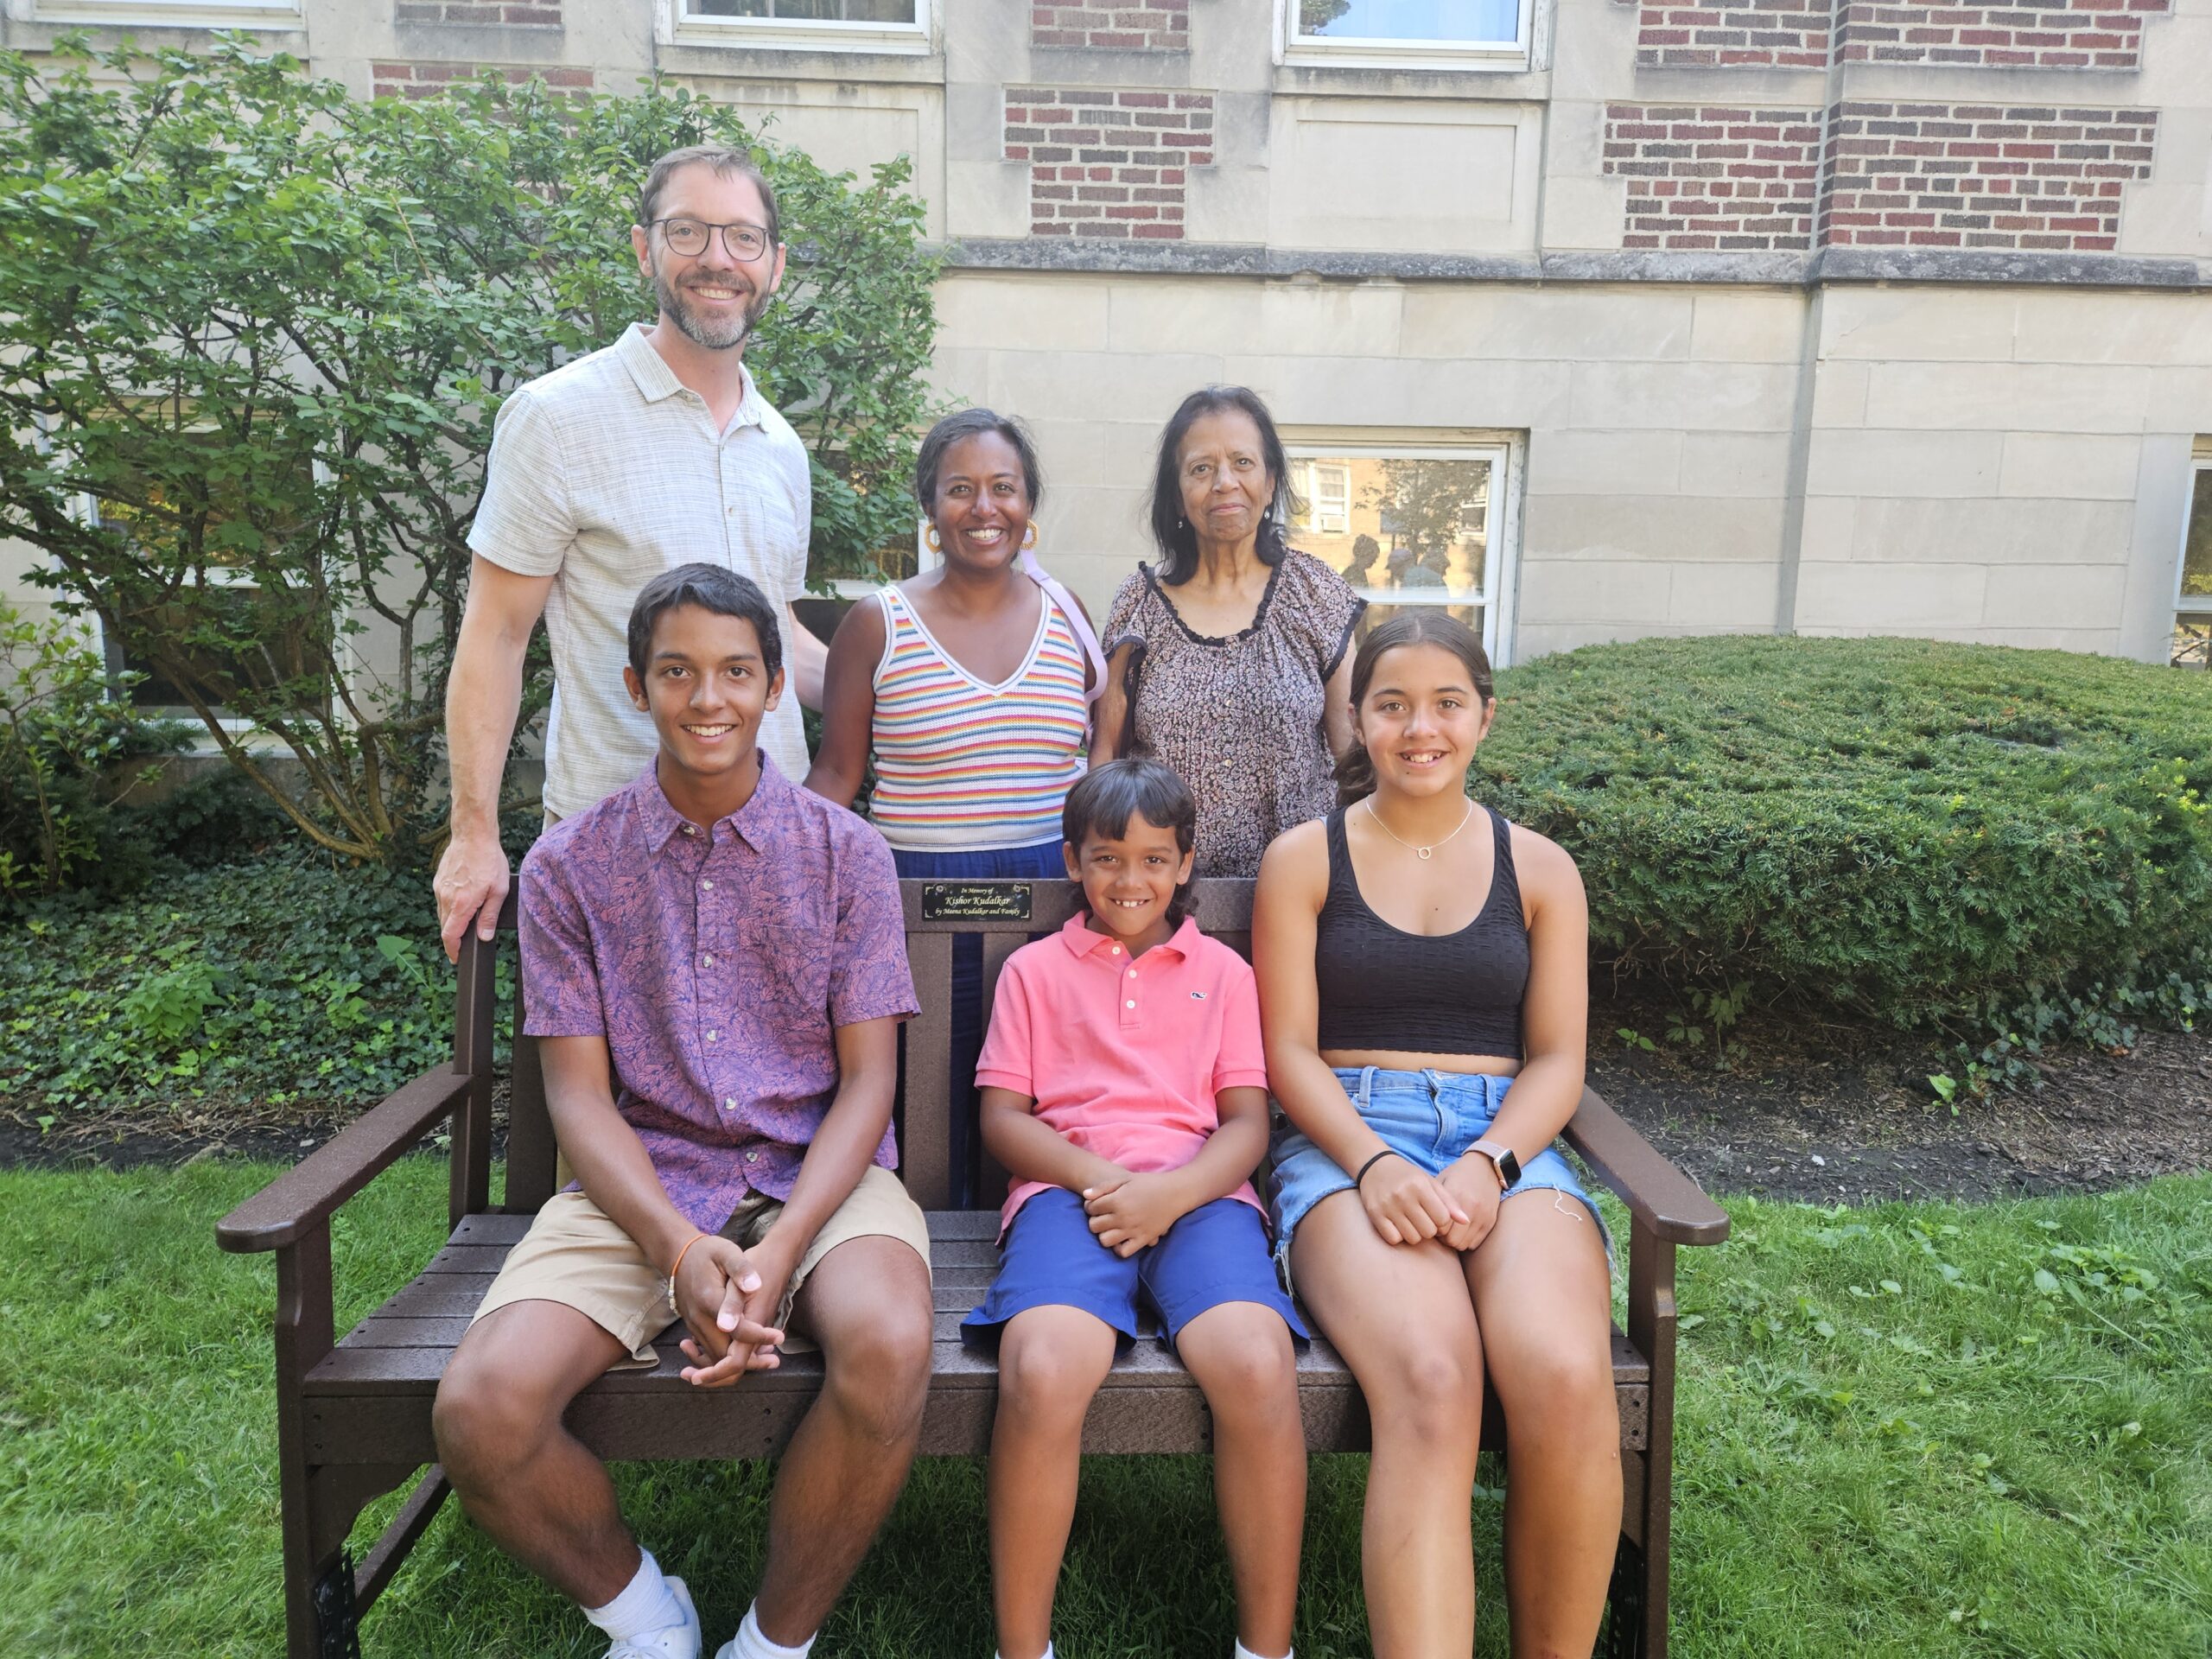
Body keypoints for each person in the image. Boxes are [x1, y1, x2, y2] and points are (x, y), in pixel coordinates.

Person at [432, 564, 935, 1659]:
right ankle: (645, 1619)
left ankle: (774, 1640)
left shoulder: (847, 855)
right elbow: (575, 1094)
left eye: (735, 673)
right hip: (642, 1184)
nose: (708, 699)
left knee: (892, 1345)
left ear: (768, 690)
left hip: (821, 1177)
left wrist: (788, 1242)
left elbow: (869, 1084)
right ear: (634, 686)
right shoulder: (572, 865)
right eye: (678, 672)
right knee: (480, 1411)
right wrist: (675, 1250)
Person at [1251, 613, 1618, 1659]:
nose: (1421, 728)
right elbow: (1288, 1054)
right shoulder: (1302, 860)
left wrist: (1489, 1161)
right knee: (1432, 1375)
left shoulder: (1540, 870)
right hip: (1344, 1137)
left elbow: (1557, 1059)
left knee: (1560, 1371)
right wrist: (1369, 1165)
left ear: (1484, 717)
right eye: (1392, 704)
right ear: (1358, 719)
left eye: (1446, 703)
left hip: (1507, 1141)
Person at [434, 143, 830, 963]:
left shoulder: (781, 446)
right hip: (617, 860)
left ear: (776, 266)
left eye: (744, 239)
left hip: (773, 849)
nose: (718, 259)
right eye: (689, 231)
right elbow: (497, 635)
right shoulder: (557, 418)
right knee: (601, 1091)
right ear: (645, 248)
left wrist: (945, 673)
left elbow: (781, 641)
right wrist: (472, 832)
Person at [965, 759, 1307, 1659]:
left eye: (1154, 860)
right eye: (1107, 858)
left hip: (1201, 1197)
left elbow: (1245, 1125)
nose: (1130, 880)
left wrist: (1170, 1194)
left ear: (1186, 864)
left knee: (1256, 1363)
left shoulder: (1226, 975)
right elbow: (1003, 1118)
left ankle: (1264, 1648)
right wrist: (1101, 1183)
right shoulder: (1034, 973)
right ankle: (1021, 1647)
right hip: (1066, 1197)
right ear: (1074, 863)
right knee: (1042, 1368)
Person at [804, 409, 1100, 1201]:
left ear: (1028, 505)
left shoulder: (1068, 614)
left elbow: (1106, 767)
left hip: (1053, 897)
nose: (984, 508)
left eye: (1004, 488)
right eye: (960, 489)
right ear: (930, 508)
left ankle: (1029, 1258)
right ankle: (914, 1258)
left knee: (1041, 1101)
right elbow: (835, 778)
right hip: (912, 900)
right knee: (922, 1099)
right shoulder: (879, 623)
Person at [1095, 385, 1364, 878]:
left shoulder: (1315, 593)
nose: (1224, 483)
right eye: (1201, 468)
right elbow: (1106, 757)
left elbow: (1355, 758)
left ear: (1270, 481)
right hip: (1162, 903)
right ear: (1178, 495)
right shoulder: (1139, 602)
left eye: (1243, 462)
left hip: (1299, 894)